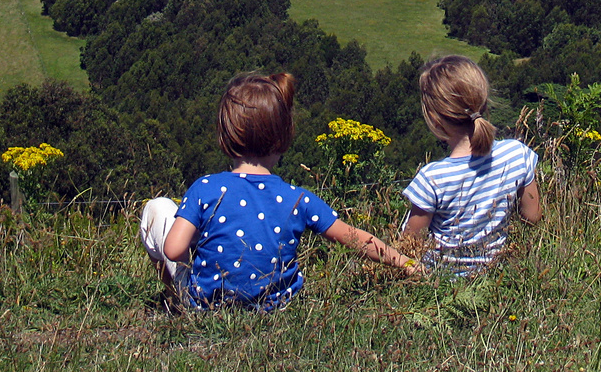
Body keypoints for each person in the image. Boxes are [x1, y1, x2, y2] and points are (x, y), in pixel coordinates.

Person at [139, 71, 416, 309]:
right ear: (283, 136)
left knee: (158, 207)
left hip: (208, 305)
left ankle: (178, 298)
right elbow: (355, 239)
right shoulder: (297, 198)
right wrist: (405, 263)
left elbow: (174, 250)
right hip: (277, 306)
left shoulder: (206, 188)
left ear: (226, 134)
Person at [401, 55, 541, 271]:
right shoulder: (517, 154)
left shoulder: (432, 179)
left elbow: (410, 248)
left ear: (434, 119)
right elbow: (532, 217)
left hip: (441, 287)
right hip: (496, 275)